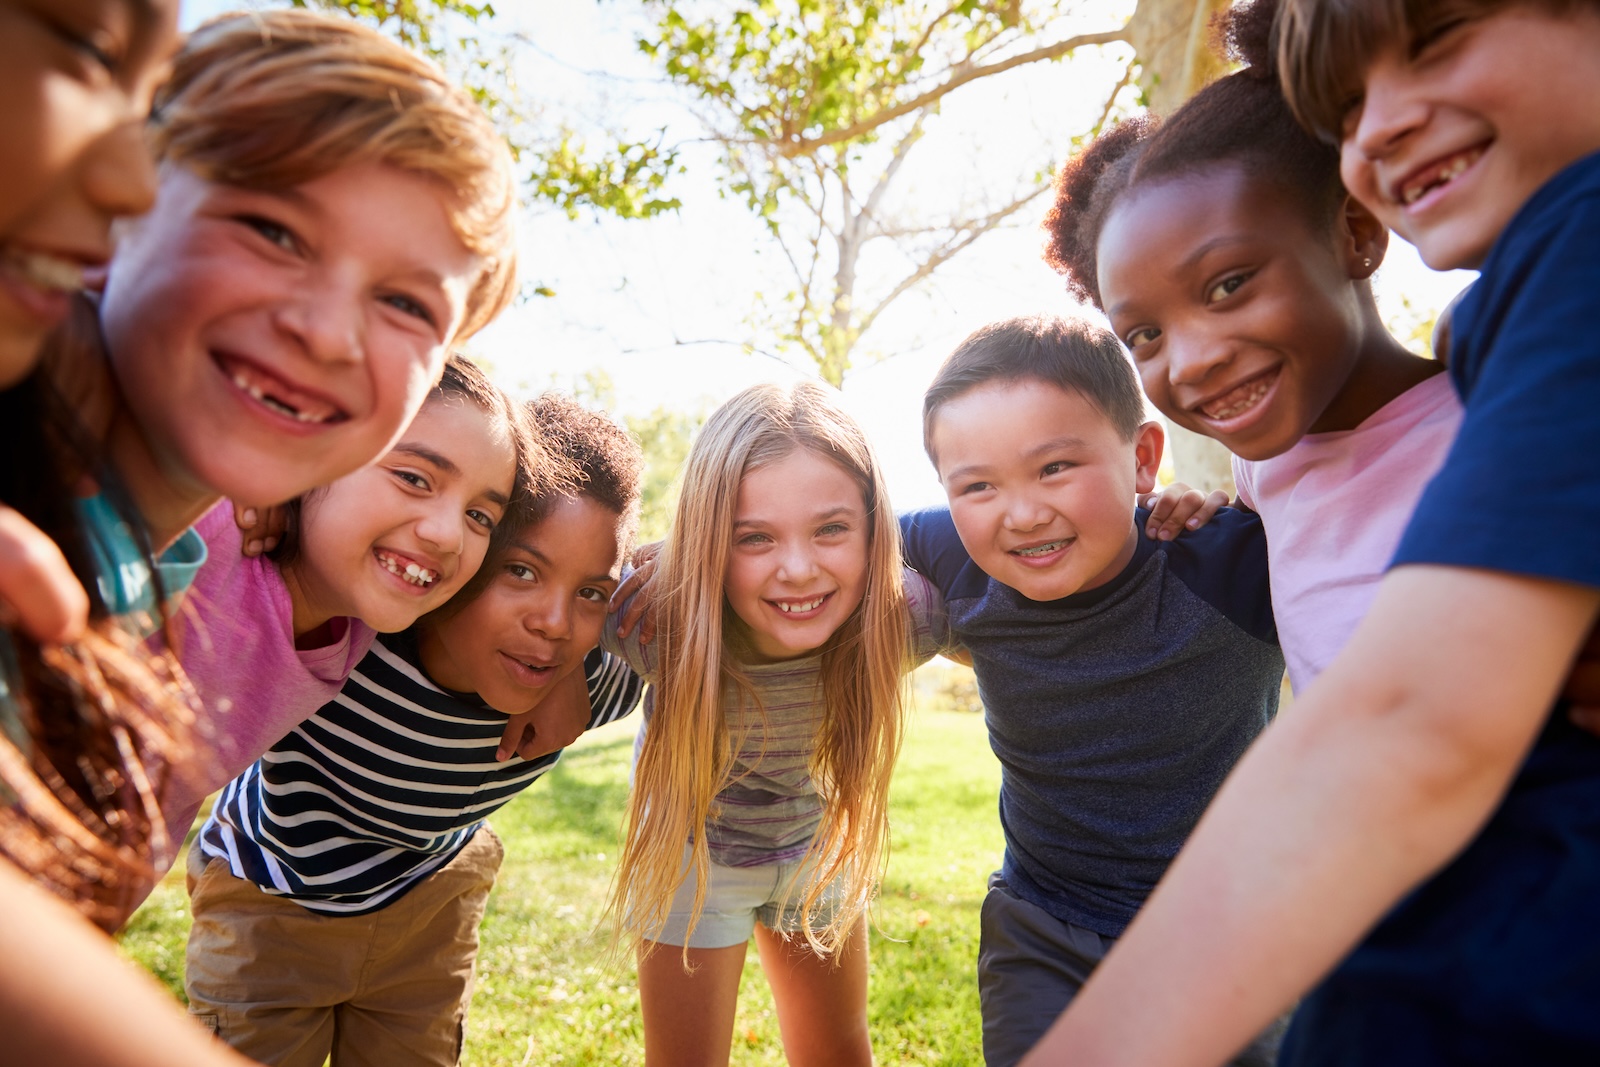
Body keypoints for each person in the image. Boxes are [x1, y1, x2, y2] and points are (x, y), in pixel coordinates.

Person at [1018, 2, 1600, 1064]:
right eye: (1342, 105)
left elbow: (1413, 719)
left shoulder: (1556, 276)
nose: (1374, 127)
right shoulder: (1454, 345)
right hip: (1396, 910)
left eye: (1435, 40)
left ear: (1353, 238)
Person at [184, 393, 645, 1067]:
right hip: (273, 895)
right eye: (521, 570)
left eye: (589, 593)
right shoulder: (353, 636)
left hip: (430, 903)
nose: (553, 621)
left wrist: (573, 666)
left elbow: (710, 585)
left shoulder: (596, 674)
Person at [900, 314, 1284, 1067]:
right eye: (975, 484)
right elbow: (826, 532)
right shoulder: (954, 549)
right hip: (1043, 927)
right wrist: (687, 553)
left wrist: (1231, 504)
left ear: (1143, 458)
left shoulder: (1230, 564)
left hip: (1225, 929)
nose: (1021, 511)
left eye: (1054, 468)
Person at [1043, 0, 1459, 695]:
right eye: (1144, 334)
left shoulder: (1490, 416)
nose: (1192, 359)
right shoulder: (1261, 471)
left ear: (1355, 233)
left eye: (1229, 284)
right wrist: (1211, 512)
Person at [603, 380, 946, 1067]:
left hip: (815, 846)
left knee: (838, 1050)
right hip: (691, 861)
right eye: (753, 537)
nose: (797, 568)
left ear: (874, 527)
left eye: (830, 528)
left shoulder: (902, 619)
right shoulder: (659, 624)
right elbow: (546, 603)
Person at [156, 354, 546, 863]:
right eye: (414, 478)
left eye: (479, 515)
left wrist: (561, 679)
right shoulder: (210, 528)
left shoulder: (358, 621)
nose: (448, 535)